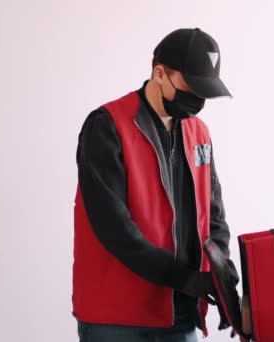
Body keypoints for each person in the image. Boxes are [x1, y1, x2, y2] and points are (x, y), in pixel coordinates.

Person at [72, 27, 246, 342]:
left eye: (205, 91)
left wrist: (221, 273)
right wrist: (185, 278)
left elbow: (214, 215)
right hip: (117, 319)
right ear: (159, 73)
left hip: (180, 317)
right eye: (191, 87)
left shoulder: (199, 133)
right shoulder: (107, 126)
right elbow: (114, 228)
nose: (197, 100)